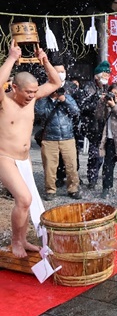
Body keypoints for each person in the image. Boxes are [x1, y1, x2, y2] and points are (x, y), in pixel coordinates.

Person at [0, 41, 61, 257]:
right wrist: (11, 58)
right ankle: (16, 242)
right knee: (25, 199)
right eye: (27, 92)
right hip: (4, 157)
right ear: (14, 88)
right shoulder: (4, 102)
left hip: (24, 159)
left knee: (27, 202)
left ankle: (23, 239)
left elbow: (55, 82)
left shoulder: (32, 98)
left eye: (34, 92)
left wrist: (45, 61)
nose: (31, 96)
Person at [35, 78, 82, 200]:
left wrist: (64, 99)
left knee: (71, 165)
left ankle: (73, 189)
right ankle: (50, 190)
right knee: (50, 166)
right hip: (49, 137)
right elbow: (40, 113)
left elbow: (76, 111)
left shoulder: (67, 97)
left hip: (67, 137)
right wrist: (51, 99)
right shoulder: (44, 99)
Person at [80, 61, 111, 189]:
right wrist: (97, 99)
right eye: (104, 74)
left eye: (108, 74)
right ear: (96, 76)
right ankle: (92, 178)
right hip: (93, 126)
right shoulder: (89, 88)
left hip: (107, 125)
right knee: (95, 154)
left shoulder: (108, 88)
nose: (106, 77)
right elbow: (83, 107)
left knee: (106, 154)